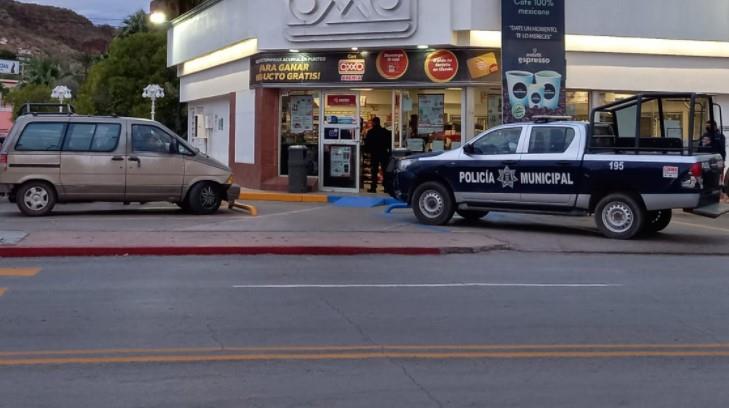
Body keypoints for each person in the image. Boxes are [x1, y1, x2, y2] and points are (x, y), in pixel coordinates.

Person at [364, 117, 391, 193]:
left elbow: (368, 144)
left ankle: (373, 187)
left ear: (374, 123)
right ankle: (386, 187)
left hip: (374, 153)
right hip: (383, 153)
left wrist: (367, 151)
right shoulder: (386, 132)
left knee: (374, 171)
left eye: (372, 122)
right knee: (385, 170)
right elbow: (389, 143)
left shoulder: (370, 132)